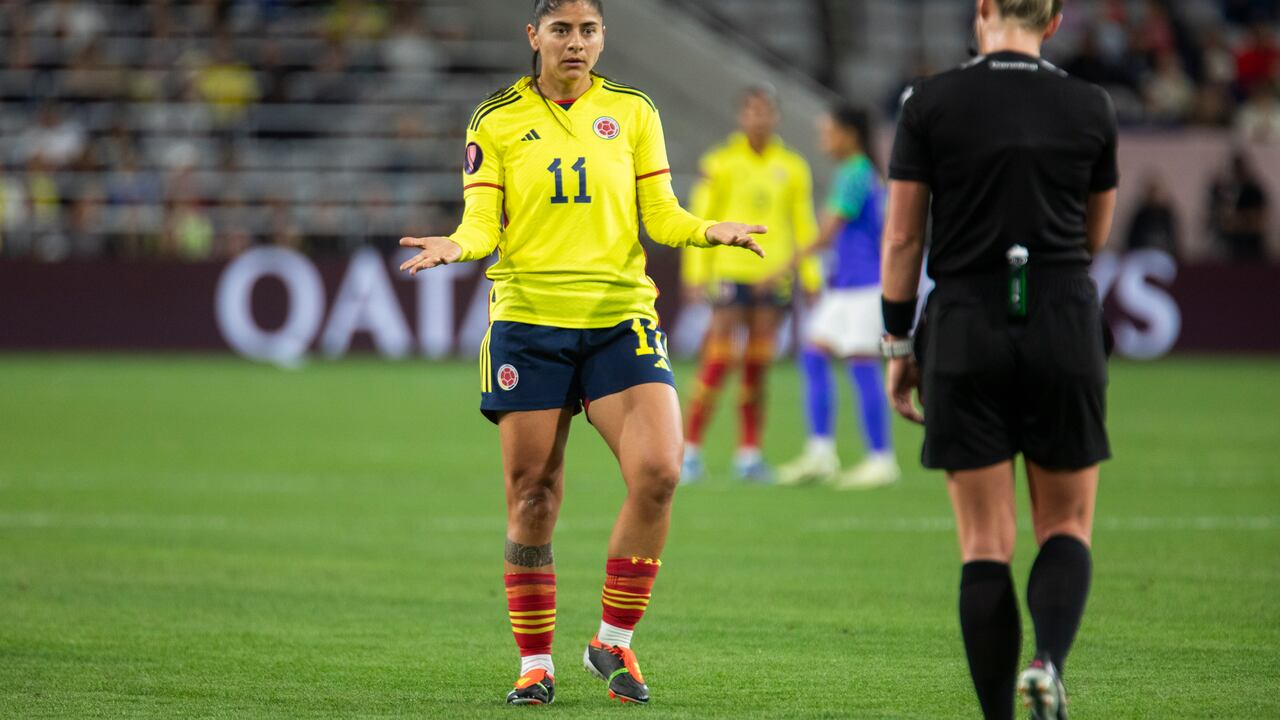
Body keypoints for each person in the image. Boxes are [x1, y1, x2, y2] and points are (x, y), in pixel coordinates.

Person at [398, 0, 766, 707]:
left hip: (618, 318)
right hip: (529, 324)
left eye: (588, 30)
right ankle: (535, 664)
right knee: (534, 496)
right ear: (533, 36)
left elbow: (658, 214)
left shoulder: (633, 111)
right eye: (561, 30)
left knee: (659, 470)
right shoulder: (496, 118)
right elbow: (481, 225)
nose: (576, 43)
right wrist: (455, 244)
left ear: (603, 37)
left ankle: (613, 644)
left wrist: (706, 229)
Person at [880, 1, 1119, 718]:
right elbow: (1093, 234)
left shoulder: (929, 102)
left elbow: (901, 241)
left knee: (985, 542)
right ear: (1054, 20)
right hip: (1061, 319)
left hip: (964, 325)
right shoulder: (1090, 104)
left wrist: (898, 343)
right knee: (1066, 528)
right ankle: (1047, 661)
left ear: (981, 10)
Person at [678, 87, 819, 483]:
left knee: (757, 365)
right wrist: (695, 273)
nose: (759, 119)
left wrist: (809, 275)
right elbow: (701, 218)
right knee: (718, 360)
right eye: (752, 112)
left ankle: (749, 454)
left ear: (775, 116)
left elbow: (802, 222)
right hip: (729, 271)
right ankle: (689, 451)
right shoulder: (720, 162)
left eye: (765, 112)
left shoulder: (792, 166)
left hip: (772, 274)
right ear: (741, 117)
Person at [776, 105, 900, 490]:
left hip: (863, 286)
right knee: (813, 355)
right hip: (847, 285)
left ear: (849, 134)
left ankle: (881, 459)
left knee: (861, 364)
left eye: (829, 131)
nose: (824, 139)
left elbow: (828, 232)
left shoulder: (856, 173)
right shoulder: (862, 172)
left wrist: (785, 266)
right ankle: (821, 453)